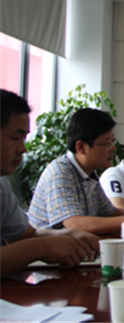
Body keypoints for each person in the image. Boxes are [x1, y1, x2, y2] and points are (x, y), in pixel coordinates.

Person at [0, 90, 99, 275]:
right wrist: (42, 247)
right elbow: (35, 243)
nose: (23, 149)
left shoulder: (2, 186)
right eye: (15, 138)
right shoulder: (60, 171)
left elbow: (25, 236)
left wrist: (67, 235)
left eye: (24, 138)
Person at [29, 108, 124, 234]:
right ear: (81, 147)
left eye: (112, 141)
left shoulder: (89, 175)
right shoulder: (60, 173)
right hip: (47, 246)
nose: (113, 149)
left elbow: (111, 213)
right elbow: (76, 225)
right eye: (106, 143)